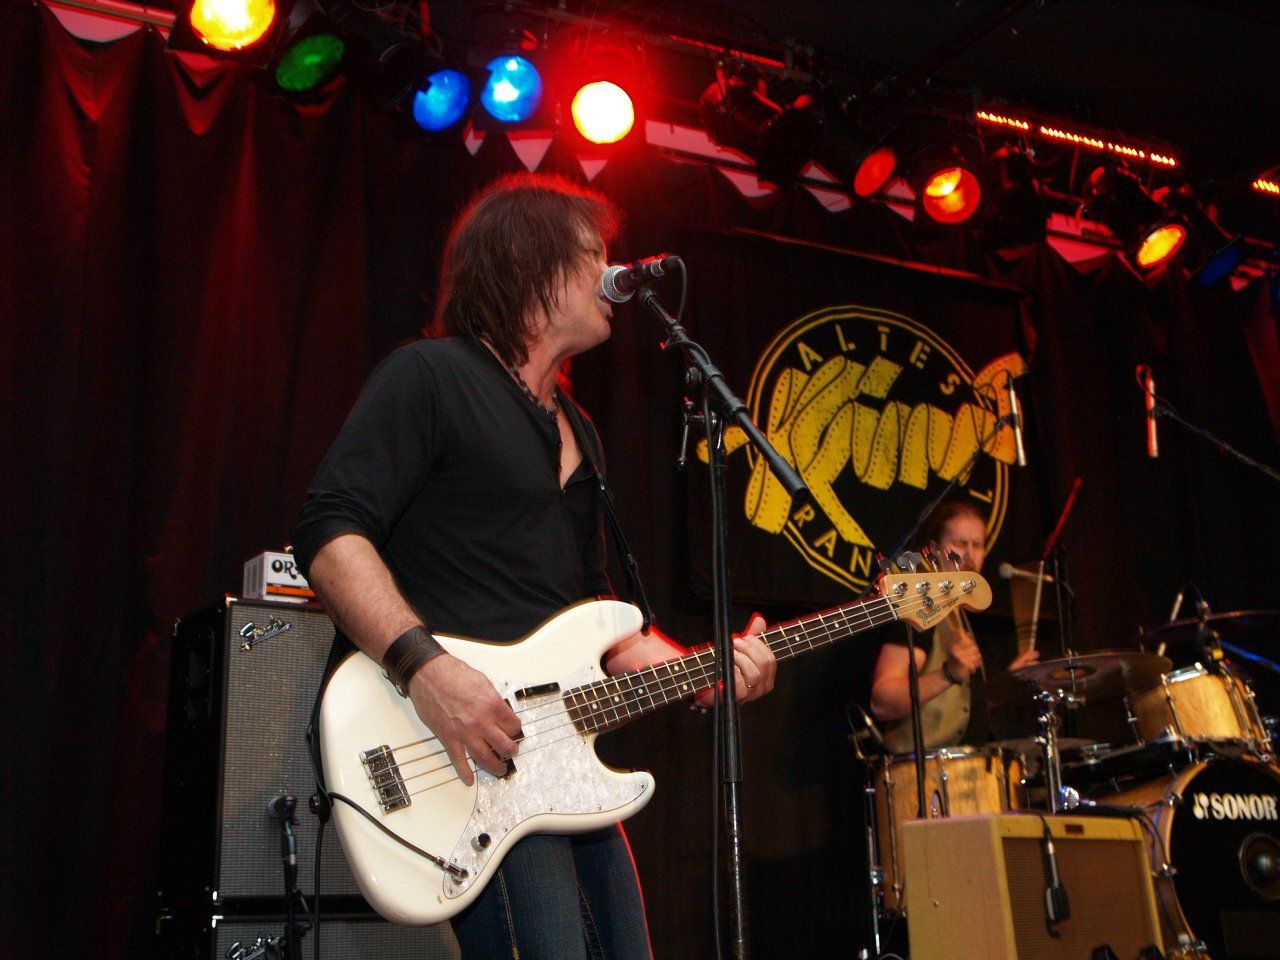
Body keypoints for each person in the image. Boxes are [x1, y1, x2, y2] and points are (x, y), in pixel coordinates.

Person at [291, 172, 777, 960]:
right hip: (457, 745)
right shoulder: (430, 377)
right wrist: (426, 669)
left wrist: (705, 669)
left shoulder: (582, 429)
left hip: (552, 759)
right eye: (592, 255)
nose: (612, 275)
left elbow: (598, 617)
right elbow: (328, 531)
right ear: (529, 265)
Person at [869, 500, 1038, 752]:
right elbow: (882, 701)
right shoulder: (920, 609)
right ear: (934, 551)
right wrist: (948, 673)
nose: (969, 554)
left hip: (967, 765)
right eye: (960, 544)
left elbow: (959, 706)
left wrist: (1007, 684)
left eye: (977, 545)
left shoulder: (960, 612)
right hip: (924, 768)